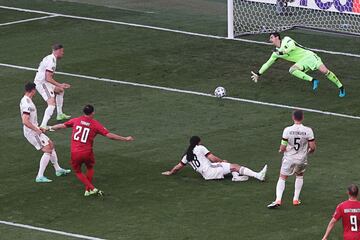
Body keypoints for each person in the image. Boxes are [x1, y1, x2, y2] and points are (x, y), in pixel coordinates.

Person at [49, 105, 134, 196]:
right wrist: (125, 139)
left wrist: (49, 128)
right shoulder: (95, 124)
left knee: (78, 172)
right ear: (93, 112)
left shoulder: (76, 120)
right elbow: (109, 135)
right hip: (87, 152)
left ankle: (91, 189)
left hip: (75, 152)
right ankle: (89, 189)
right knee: (90, 168)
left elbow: (60, 126)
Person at [251, 32, 346, 97]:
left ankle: (341, 87)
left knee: (324, 71)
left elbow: (291, 47)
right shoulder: (275, 54)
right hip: (301, 62)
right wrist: (258, 73)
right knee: (292, 70)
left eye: (271, 37)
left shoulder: (286, 40)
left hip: (309, 56)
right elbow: (267, 64)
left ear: (277, 37)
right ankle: (313, 80)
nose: (270, 39)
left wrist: (282, 52)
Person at [20, 82, 71, 183]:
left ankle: (58, 169)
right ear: (33, 90)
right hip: (32, 132)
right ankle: (40, 176)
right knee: (47, 149)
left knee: (51, 144)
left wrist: (37, 127)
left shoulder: (25, 100)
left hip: (34, 129)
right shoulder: (27, 103)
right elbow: (25, 121)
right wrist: (36, 129)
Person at [162, 136, 267, 182]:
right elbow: (212, 158)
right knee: (234, 166)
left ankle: (236, 177)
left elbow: (178, 167)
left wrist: (171, 172)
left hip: (205, 174)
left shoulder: (187, 155)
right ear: (198, 142)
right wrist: (221, 161)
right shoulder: (200, 148)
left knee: (230, 166)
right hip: (211, 171)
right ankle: (258, 175)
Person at [267, 110, 316, 209]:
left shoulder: (287, 130)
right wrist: (309, 151)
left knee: (282, 177)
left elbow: (283, 146)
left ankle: (278, 199)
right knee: (299, 176)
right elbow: (312, 147)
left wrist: (280, 150)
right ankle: (295, 199)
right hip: (301, 159)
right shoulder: (308, 130)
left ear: (293, 117)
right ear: (302, 118)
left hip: (289, 158)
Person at [34, 43, 71, 128]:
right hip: (42, 83)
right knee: (51, 104)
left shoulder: (50, 57)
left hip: (44, 81)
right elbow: (48, 78)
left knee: (60, 91)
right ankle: (43, 125)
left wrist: (60, 87)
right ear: (57, 51)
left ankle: (60, 114)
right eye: (62, 51)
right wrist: (60, 84)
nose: (63, 53)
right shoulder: (52, 61)